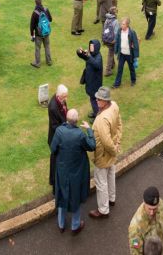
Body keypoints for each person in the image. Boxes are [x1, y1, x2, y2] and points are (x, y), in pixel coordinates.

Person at [50, 109, 95, 235]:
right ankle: (75, 226)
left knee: (62, 196)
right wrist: (89, 130)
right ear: (77, 121)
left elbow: (53, 149)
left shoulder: (59, 131)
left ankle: (61, 224)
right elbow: (92, 146)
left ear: (67, 118)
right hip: (76, 173)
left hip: (63, 171)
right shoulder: (80, 134)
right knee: (75, 197)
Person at [89, 86, 122, 220]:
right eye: (97, 97)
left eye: (99, 99)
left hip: (103, 155)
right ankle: (111, 199)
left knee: (101, 182)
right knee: (111, 175)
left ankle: (103, 210)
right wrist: (117, 143)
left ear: (105, 101)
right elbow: (120, 124)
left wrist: (114, 150)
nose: (96, 100)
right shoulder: (114, 105)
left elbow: (106, 142)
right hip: (111, 151)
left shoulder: (102, 119)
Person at [47, 85, 68, 193]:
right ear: (58, 95)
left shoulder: (61, 100)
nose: (66, 99)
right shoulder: (53, 107)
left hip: (60, 135)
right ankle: (54, 183)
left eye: (66, 96)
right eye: (64, 97)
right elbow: (55, 126)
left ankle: (56, 180)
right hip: (55, 138)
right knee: (55, 160)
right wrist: (66, 128)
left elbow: (65, 111)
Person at [77, 41, 103, 118]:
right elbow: (84, 57)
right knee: (92, 99)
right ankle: (96, 113)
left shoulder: (98, 56)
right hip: (90, 81)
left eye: (92, 46)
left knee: (94, 100)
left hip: (95, 83)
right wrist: (79, 52)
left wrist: (88, 56)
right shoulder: (91, 54)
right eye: (90, 46)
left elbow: (97, 65)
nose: (90, 48)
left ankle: (98, 116)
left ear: (96, 47)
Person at [113, 17, 140, 88]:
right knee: (119, 69)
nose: (121, 25)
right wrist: (116, 51)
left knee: (131, 68)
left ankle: (133, 81)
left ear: (127, 25)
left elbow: (136, 44)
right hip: (122, 54)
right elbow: (117, 41)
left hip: (129, 54)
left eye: (123, 24)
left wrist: (136, 56)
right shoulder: (119, 31)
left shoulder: (132, 32)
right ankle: (116, 84)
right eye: (121, 24)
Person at [30, 0, 53, 68]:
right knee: (47, 46)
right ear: (41, 2)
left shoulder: (35, 13)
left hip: (38, 34)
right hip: (46, 32)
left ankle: (37, 63)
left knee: (37, 48)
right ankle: (49, 61)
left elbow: (32, 25)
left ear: (35, 3)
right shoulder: (46, 9)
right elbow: (51, 19)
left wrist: (32, 34)